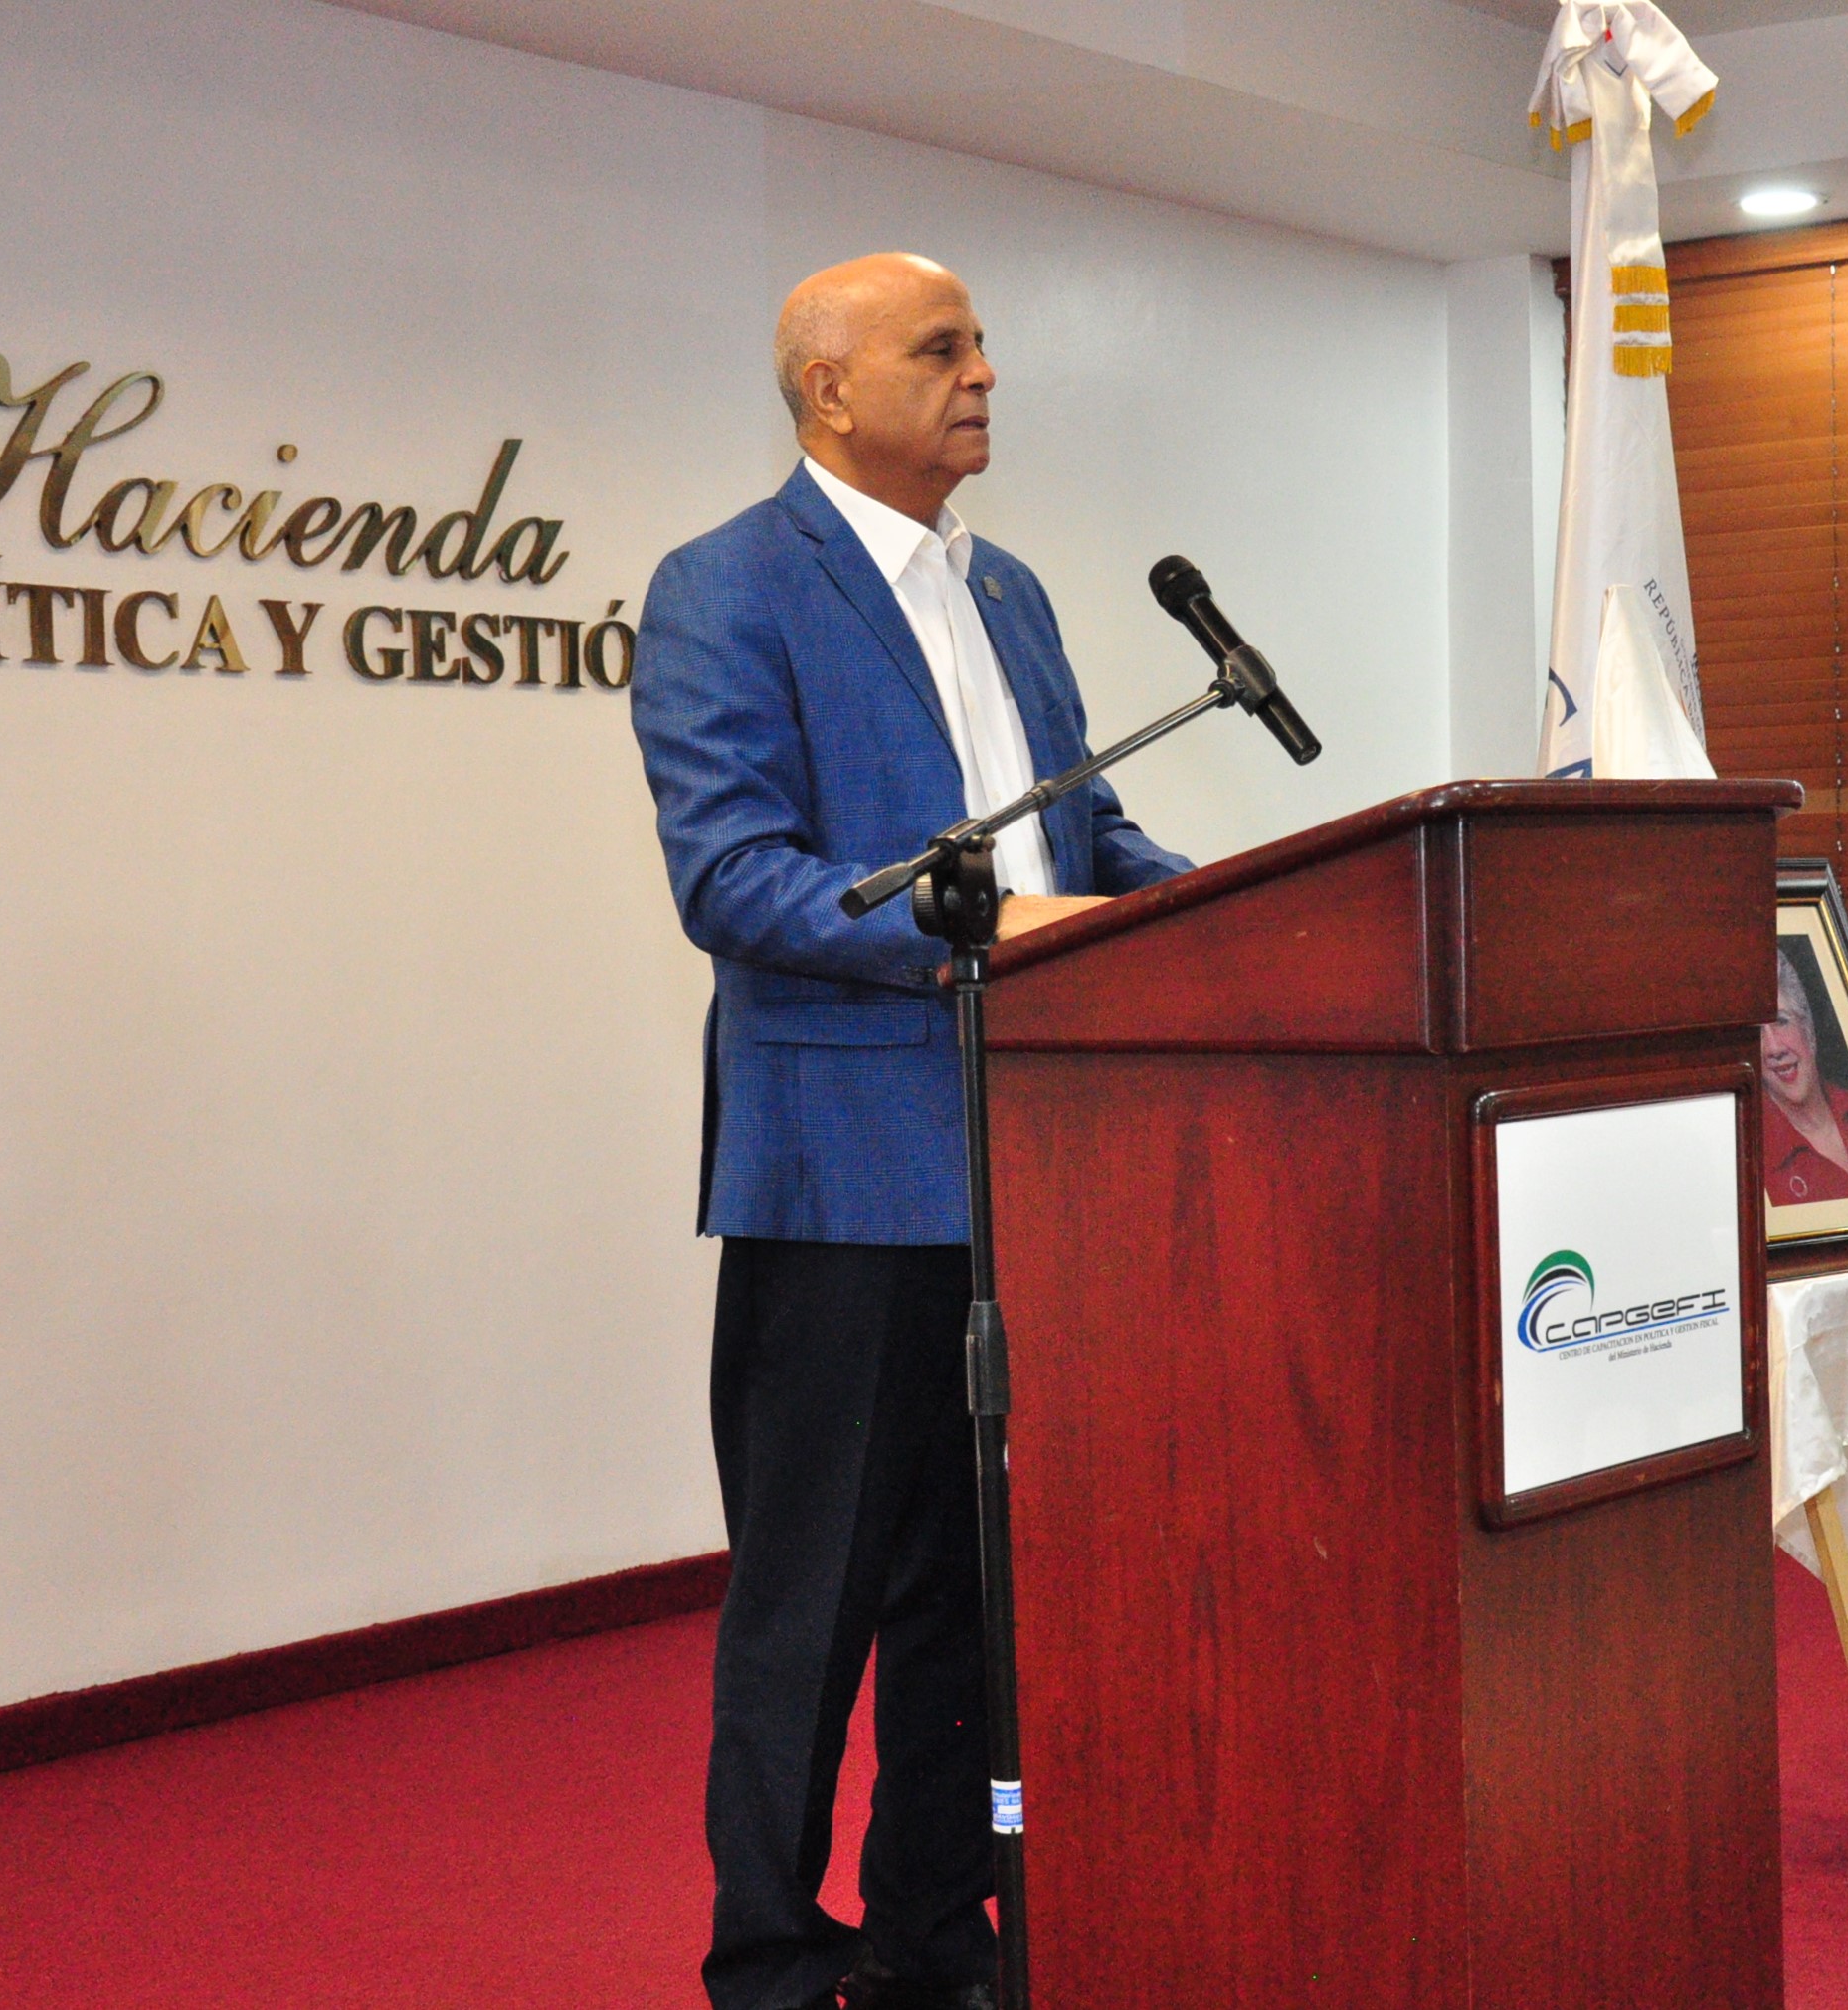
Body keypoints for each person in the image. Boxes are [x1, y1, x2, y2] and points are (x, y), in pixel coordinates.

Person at [629, 253, 1191, 2010]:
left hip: (1034, 1172)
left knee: (980, 1596)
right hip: (841, 1180)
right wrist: (985, 932)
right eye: (941, 349)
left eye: (981, 345)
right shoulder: (726, 587)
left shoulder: (1004, 589)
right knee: (810, 1607)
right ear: (828, 390)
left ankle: (933, 1935)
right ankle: (770, 1964)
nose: (983, 373)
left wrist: (1220, 906)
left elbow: (1081, 838)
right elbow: (734, 877)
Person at [1760, 948, 1848, 1206]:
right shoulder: (1755, 1155)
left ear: (1808, 1027)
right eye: (1755, 1033)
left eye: (1781, 1022)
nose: (1774, 1048)